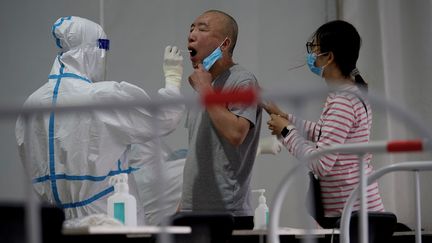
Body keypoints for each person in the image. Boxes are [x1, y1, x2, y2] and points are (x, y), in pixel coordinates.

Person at [15, 16, 185, 225]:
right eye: (103, 46)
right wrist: (173, 80)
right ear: (90, 50)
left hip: (56, 224)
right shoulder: (101, 98)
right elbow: (165, 118)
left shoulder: (32, 104)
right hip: (109, 218)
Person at [264, 20, 384, 228]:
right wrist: (285, 116)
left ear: (329, 57)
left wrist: (286, 131)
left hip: (354, 216)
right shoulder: (351, 94)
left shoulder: (343, 102)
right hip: (355, 211)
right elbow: (325, 133)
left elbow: (321, 164)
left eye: (315, 49)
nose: (311, 56)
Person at [180, 10, 262, 229]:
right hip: (192, 210)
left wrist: (205, 89)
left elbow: (237, 133)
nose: (192, 35)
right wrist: (182, 205)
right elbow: (199, 154)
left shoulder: (242, 80)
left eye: (202, 29)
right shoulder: (204, 85)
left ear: (224, 44)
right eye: (191, 28)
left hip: (227, 213)